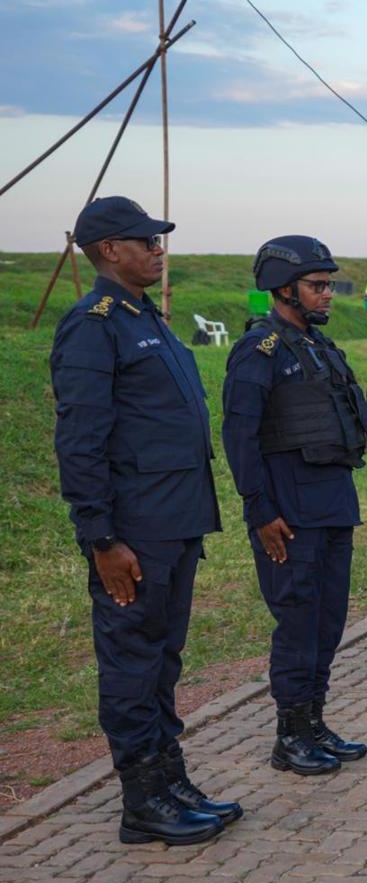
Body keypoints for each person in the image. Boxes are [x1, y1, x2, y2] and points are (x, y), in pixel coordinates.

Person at [52, 196, 234, 846]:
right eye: (146, 241)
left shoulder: (143, 317)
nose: (158, 250)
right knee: (131, 664)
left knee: (161, 660)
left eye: (158, 240)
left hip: (175, 522)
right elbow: (80, 440)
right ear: (109, 250)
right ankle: (142, 801)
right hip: (133, 531)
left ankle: (170, 781)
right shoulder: (93, 325)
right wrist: (101, 538)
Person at [222, 235, 367, 779]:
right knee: (297, 623)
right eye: (317, 285)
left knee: (327, 623)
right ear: (283, 288)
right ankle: (290, 736)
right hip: (289, 513)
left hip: (333, 505)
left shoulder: (318, 346)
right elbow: (239, 436)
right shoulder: (259, 350)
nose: (328, 293)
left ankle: (314, 723)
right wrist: (260, 512)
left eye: (329, 284)